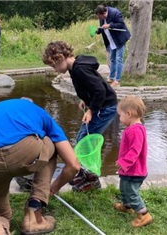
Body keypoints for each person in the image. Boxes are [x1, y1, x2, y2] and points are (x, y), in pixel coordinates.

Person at [0, 98, 80, 235]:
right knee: (52, 143)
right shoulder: (40, 113)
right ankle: (34, 215)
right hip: (22, 152)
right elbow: (74, 165)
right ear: (32, 104)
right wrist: (54, 187)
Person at [42, 41, 118, 192]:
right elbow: (92, 87)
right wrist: (85, 99)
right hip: (102, 105)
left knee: (84, 139)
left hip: (105, 107)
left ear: (60, 58)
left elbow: (100, 91)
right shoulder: (75, 66)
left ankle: (91, 178)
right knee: (84, 138)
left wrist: (91, 109)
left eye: (54, 66)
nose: (55, 70)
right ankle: (84, 173)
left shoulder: (80, 69)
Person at [114, 95, 153, 228]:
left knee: (131, 192)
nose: (119, 118)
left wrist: (124, 161)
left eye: (120, 115)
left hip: (134, 171)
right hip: (129, 170)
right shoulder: (133, 128)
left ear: (129, 114)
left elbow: (135, 150)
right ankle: (127, 206)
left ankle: (144, 215)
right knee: (124, 189)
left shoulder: (136, 130)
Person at [95, 5, 131, 87]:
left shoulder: (115, 13)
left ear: (104, 13)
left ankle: (117, 80)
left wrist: (110, 25)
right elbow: (102, 27)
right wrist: (97, 30)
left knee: (118, 59)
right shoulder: (102, 17)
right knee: (112, 58)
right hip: (111, 40)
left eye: (99, 16)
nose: (99, 18)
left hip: (119, 39)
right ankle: (111, 77)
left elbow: (121, 24)